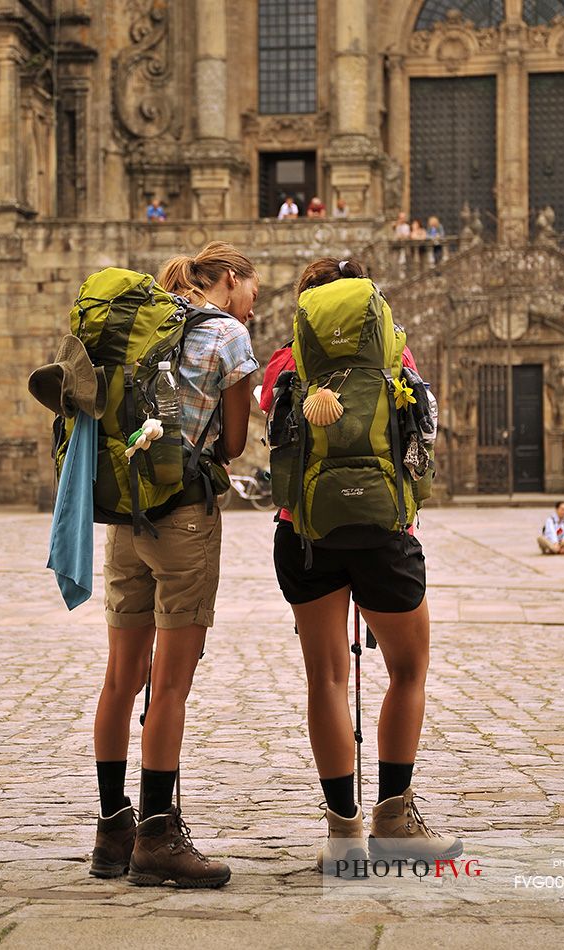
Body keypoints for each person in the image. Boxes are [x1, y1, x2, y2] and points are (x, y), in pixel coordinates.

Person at [262, 257, 461, 875]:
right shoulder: (393, 358)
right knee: (407, 669)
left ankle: (342, 833)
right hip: (382, 534)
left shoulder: (284, 361)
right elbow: (422, 432)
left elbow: (266, 420)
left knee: (324, 678)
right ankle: (395, 821)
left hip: (306, 535)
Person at [91, 242, 259, 888]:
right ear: (227, 280)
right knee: (171, 684)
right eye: (252, 288)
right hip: (184, 515)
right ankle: (158, 835)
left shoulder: (144, 326)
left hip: (126, 513)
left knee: (120, 678)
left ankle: (113, 831)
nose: (254, 301)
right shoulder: (227, 335)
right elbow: (237, 443)